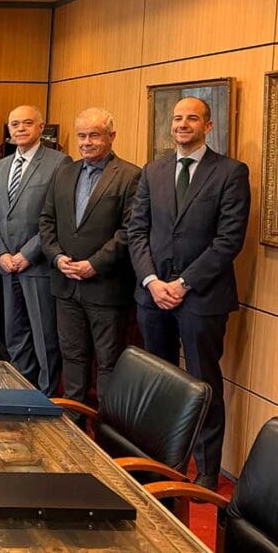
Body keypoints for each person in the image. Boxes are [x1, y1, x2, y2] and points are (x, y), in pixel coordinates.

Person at [128, 97, 250, 490]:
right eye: (178, 118)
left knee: (203, 383)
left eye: (192, 118)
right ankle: (159, 462)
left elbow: (228, 240)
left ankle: (208, 470)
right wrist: (151, 281)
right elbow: (137, 231)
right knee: (158, 381)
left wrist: (183, 284)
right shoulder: (153, 170)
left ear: (207, 126)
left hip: (202, 297)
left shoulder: (230, 172)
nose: (182, 124)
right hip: (153, 295)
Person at [39, 107, 140, 417]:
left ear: (111, 136)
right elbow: (46, 221)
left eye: (94, 135)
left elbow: (129, 231)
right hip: (65, 284)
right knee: (73, 357)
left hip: (105, 286)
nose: (86, 142)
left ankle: (106, 430)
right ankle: (74, 425)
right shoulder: (64, 172)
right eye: (81, 136)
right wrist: (57, 257)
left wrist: (94, 264)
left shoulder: (130, 175)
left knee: (108, 362)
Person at [0, 106, 70, 395]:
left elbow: (58, 217)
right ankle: (21, 392)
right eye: (14, 124)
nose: (20, 129)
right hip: (7, 265)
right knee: (15, 334)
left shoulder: (59, 163)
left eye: (27, 123)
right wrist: (1, 254)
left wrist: (27, 254)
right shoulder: (1, 166)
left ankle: (46, 397)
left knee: (44, 337)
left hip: (37, 266)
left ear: (40, 127)